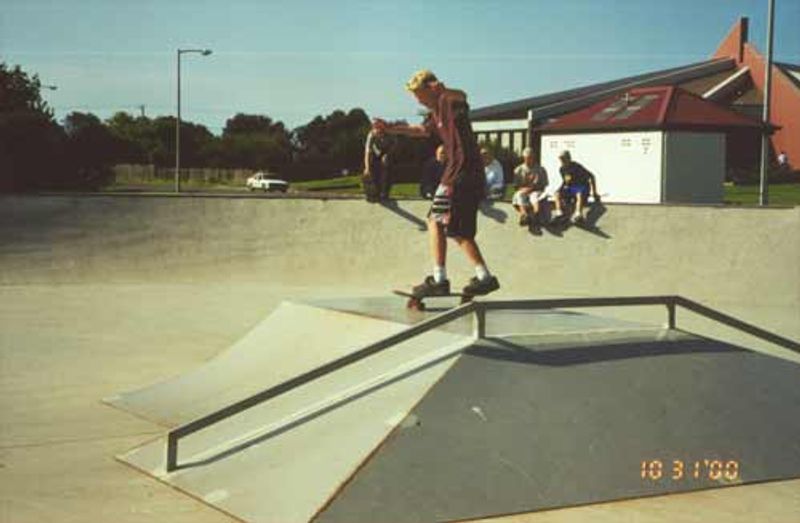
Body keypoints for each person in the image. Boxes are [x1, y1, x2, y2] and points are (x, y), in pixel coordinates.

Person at [373, 69, 500, 297]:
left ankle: (448, 280)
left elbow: (462, 95)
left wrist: (443, 90)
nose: (417, 99)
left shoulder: (449, 101)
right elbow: (420, 130)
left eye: (419, 94)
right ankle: (478, 277)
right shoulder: (435, 113)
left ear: (431, 87)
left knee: (441, 223)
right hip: (466, 174)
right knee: (454, 228)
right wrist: (390, 128)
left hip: (460, 172)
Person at [552, 150, 599, 223]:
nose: (562, 161)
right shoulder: (562, 169)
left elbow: (591, 176)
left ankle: (578, 213)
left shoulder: (576, 167)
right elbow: (565, 181)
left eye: (564, 159)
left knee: (578, 193)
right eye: (561, 160)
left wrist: (594, 192)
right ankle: (559, 212)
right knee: (556, 193)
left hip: (582, 187)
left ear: (568, 158)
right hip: (571, 188)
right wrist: (560, 190)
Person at [511, 147, 548, 227]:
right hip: (523, 191)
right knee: (519, 195)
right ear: (524, 158)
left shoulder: (541, 169)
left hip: (536, 191)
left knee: (534, 196)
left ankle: (536, 213)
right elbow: (515, 186)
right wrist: (524, 189)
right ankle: (524, 215)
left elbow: (543, 185)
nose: (529, 160)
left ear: (533, 158)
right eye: (527, 158)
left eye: (531, 158)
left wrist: (532, 189)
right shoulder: (518, 170)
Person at [363, 127, 393, 202]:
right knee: (370, 170)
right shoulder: (371, 136)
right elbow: (367, 154)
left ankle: (385, 193)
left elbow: (392, 148)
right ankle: (372, 193)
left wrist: (386, 155)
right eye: (378, 134)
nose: (380, 136)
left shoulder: (390, 136)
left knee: (386, 166)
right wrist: (367, 168)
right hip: (374, 155)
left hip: (385, 152)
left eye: (381, 134)